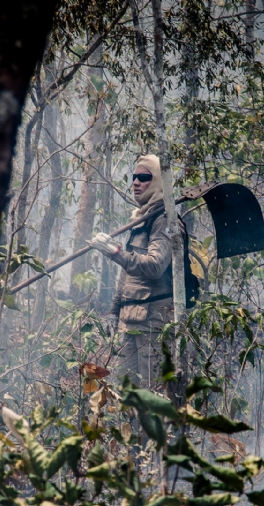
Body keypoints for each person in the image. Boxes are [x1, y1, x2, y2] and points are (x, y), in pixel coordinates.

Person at [88, 154, 173, 388]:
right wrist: (114, 312)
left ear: (157, 182)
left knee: (153, 393)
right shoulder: (141, 219)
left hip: (154, 324)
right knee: (125, 393)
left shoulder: (164, 220)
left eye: (144, 177)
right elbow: (127, 274)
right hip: (130, 321)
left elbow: (154, 266)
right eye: (135, 177)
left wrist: (115, 252)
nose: (135, 182)